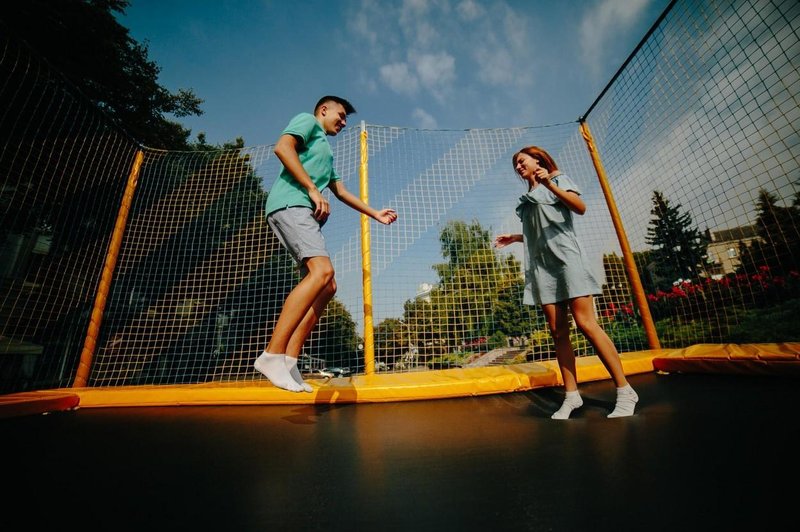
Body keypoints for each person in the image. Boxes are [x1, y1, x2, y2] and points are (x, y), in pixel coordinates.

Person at [256, 96, 398, 392]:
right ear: (323, 110)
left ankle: (290, 360)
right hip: (290, 205)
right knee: (321, 272)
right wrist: (312, 190)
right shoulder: (307, 122)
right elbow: (283, 148)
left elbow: (342, 191)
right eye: (341, 115)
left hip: (302, 211)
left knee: (327, 285)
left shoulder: (326, 153)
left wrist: (374, 213)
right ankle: (272, 354)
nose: (344, 122)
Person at [493, 146, 638, 419]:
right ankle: (572, 397)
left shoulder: (558, 179)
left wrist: (549, 183)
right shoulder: (526, 197)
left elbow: (579, 208)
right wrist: (515, 237)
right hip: (542, 268)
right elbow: (539, 232)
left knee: (586, 324)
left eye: (521, 161)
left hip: (568, 261)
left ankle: (625, 389)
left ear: (538, 159)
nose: (517, 166)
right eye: (515, 164)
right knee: (557, 332)